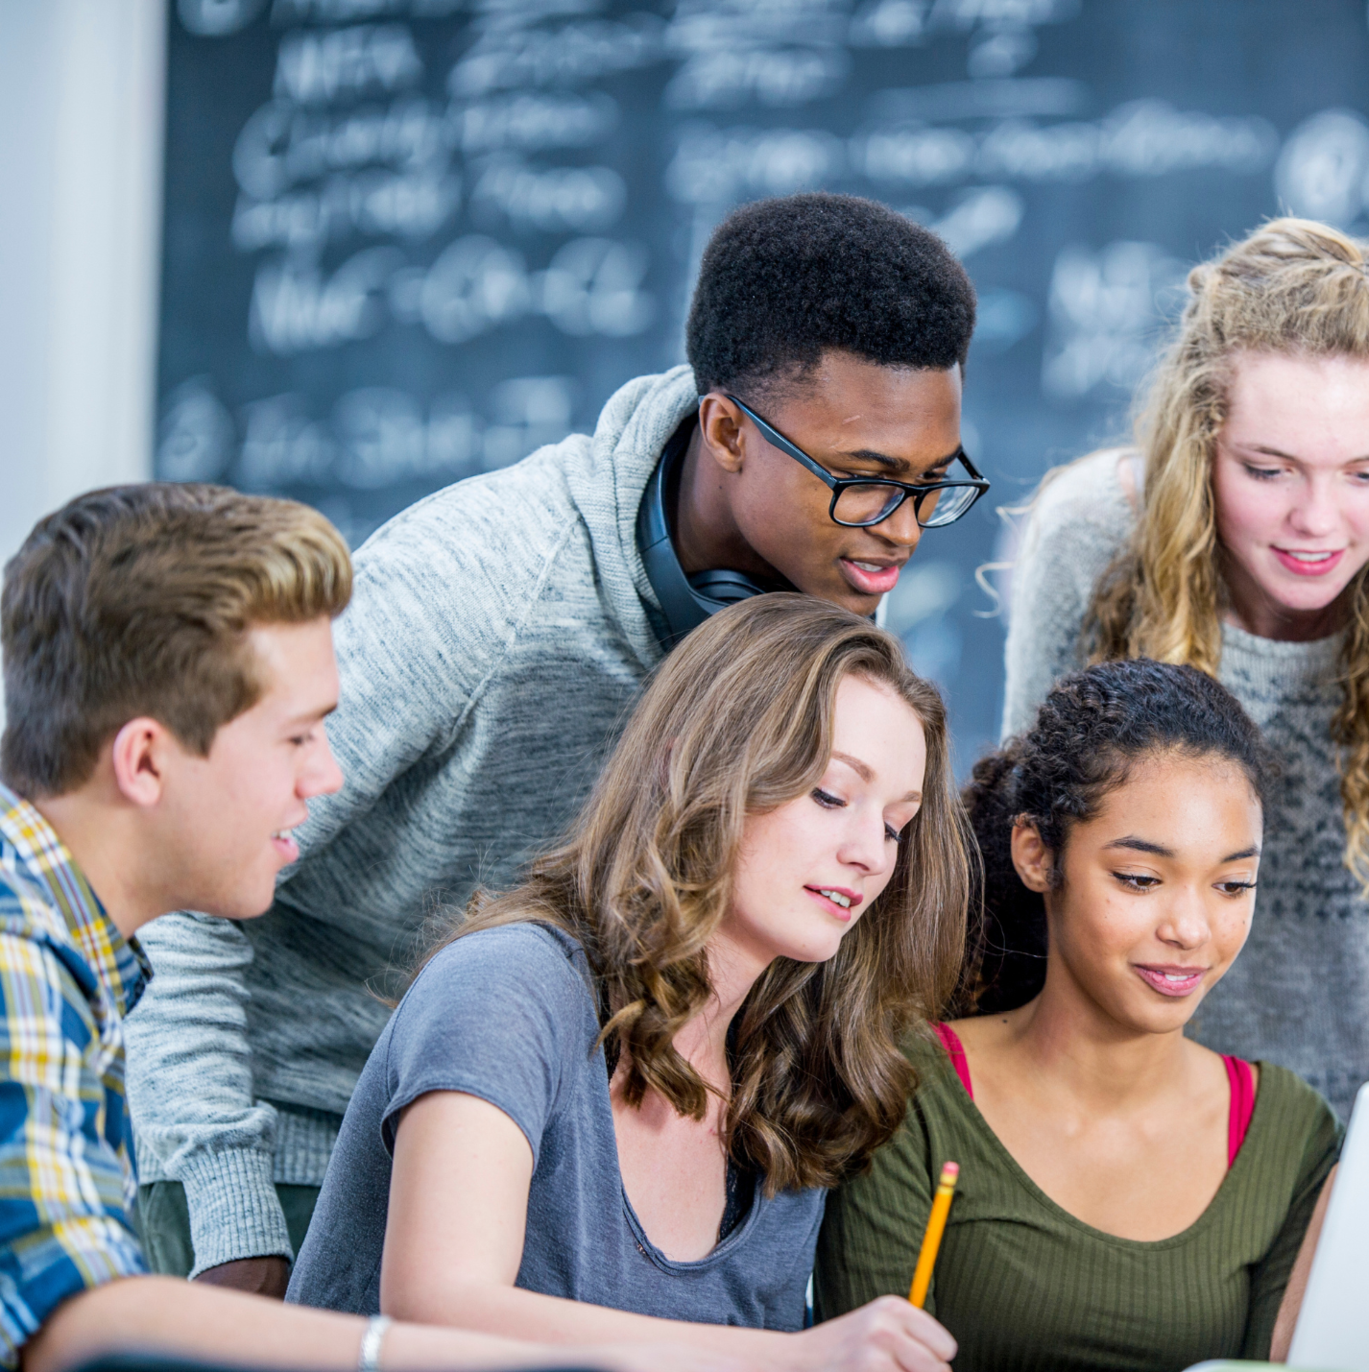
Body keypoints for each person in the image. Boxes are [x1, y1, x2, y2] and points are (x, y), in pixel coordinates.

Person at [126, 191, 988, 1293]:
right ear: (727, 430)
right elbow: (177, 887)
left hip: (566, 1153)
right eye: (867, 481)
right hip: (303, 1134)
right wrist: (231, 1222)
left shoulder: (826, 590)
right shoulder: (482, 585)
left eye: (931, 483)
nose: (905, 528)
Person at [0, 483, 759, 1372]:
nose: (327, 776)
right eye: (296, 739)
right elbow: (78, 1325)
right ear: (143, 761)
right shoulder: (21, 956)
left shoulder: (71, 951)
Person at [285, 596, 960, 1372]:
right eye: (831, 795)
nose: (870, 854)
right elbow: (441, 1307)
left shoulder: (791, 1078)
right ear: (689, 764)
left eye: (895, 824)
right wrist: (796, 1359)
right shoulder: (510, 986)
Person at [998, 217, 1369, 1116]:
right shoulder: (1092, 537)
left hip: (1363, 1129)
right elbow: (1023, 881)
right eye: (1270, 470)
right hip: (1100, 1117)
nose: (1318, 522)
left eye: (1367, 475)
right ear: (1201, 441)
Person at [817, 659, 1340, 1372]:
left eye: (1232, 884)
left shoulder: (1290, 1135)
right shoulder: (910, 1089)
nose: (1191, 928)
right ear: (1037, 854)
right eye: (1140, 879)